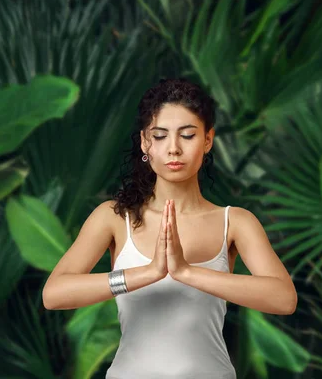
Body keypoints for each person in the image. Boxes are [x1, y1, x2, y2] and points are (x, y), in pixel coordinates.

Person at [42, 78, 297, 379]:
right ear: (144, 143)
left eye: (187, 135)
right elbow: (54, 294)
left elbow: (283, 298)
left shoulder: (236, 222)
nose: (173, 149)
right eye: (160, 136)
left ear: (207, 140)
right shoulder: (113, 217)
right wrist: (145, 273)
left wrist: (188, 272)